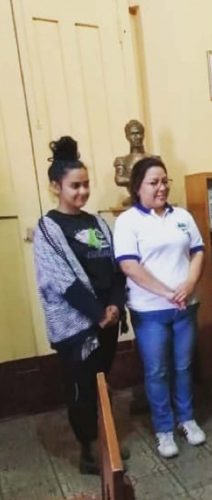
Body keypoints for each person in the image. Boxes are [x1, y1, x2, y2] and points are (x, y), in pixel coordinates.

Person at [33, 136, 128, 475]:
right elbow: (63, 281)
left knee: (102, 384)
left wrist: (114, 305)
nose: (83, 191)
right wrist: (98, 314)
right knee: (81, 390)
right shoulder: (48, 228)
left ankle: (107, 442)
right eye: (75, 186)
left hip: (107, 320)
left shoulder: (98, 223)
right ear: (56, 187)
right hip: (77, 327)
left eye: (86, 184)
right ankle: (89, 451)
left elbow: (117, 269)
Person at [113, 157, 206, 458]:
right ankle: (164, 429)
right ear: (137, 187)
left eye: (165, 181)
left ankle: (186, 419)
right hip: (149, 310)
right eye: (154, 182)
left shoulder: (182, 216)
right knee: (157, 371)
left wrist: (189, 284)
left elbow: (198, 252)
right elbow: (129, 265)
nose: (162, 187)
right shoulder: (128, 221)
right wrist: (167, 292)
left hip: (185, 306)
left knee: (183, 366)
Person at [113, 119, 161, 193]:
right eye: (132, 134)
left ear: (143, 135)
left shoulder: (154, 159)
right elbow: (119, 180)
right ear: (127, 136)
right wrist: (145, 179)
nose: (136, 137)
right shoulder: (122, 160)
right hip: (132, 197)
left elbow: (160, 178)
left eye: (138, 133)